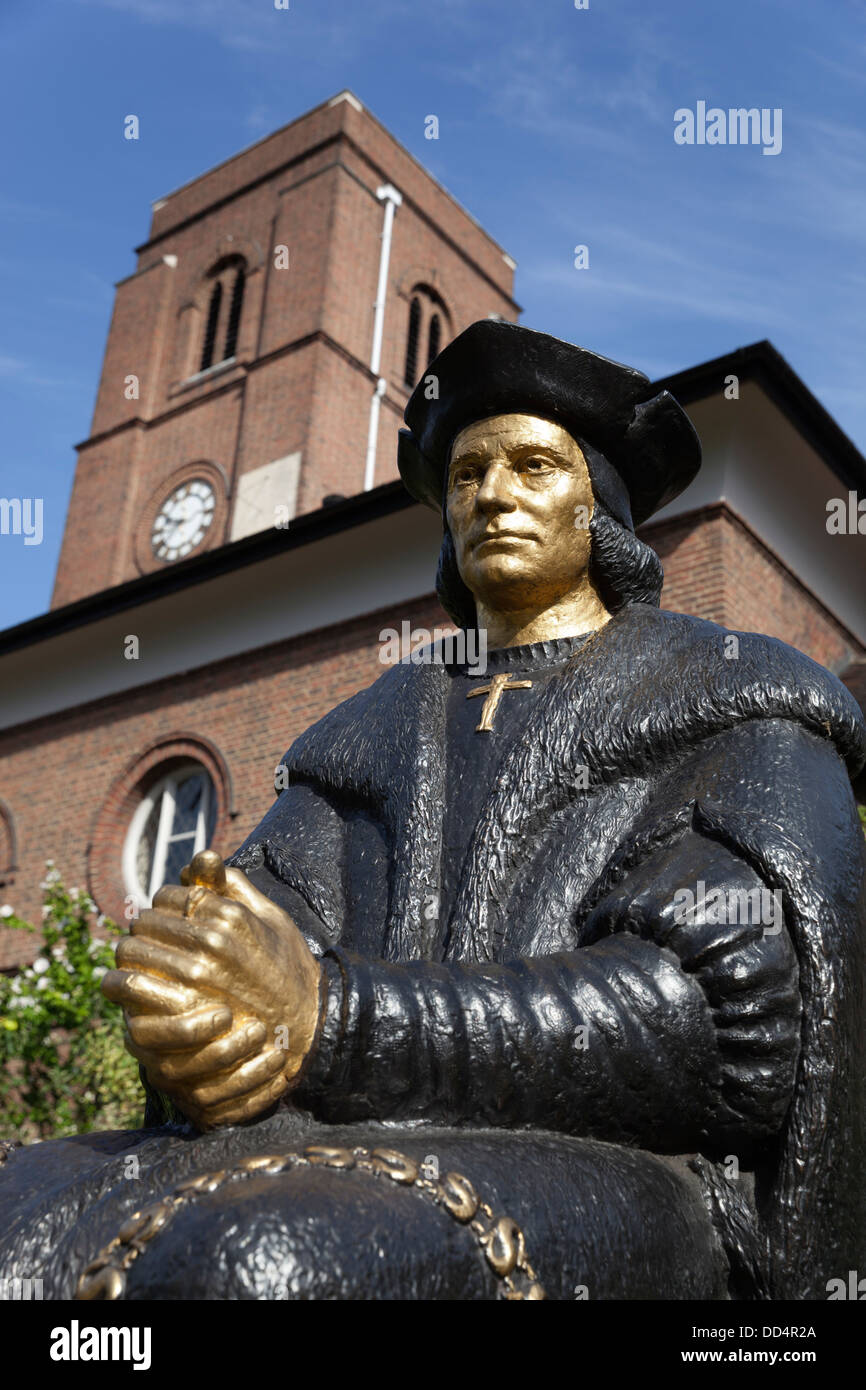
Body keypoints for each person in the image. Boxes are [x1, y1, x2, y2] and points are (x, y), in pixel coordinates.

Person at [2, 321, 864, 1301]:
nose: (490, 494)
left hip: (637, 1170)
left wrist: (332, 1021)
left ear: (600, 508)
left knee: (261, 1264)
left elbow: (714, 1023)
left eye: (532, 465)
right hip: (322, 1130)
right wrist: (194, 1013)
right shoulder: (364, 734)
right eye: (464, 476)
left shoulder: (731, 694)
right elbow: (248, 933)